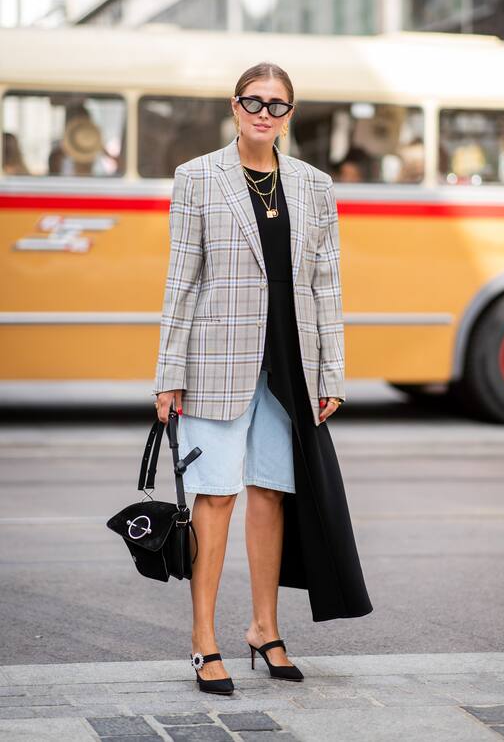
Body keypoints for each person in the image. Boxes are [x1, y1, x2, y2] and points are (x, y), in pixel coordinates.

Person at [153, 62, 373, 697]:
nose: (264, 113)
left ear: (290, 114)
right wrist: (168, 372)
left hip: (290, 368)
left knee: (271, 495)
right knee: (215, 499)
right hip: (214, 366)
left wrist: (331, 369)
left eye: (277, 105)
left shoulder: (313, 186)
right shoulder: (197, 178)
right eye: (253, 101)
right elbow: (180, 282)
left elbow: (326, 286)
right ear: (234, 106)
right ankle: (204, 641)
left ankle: (264, 628)